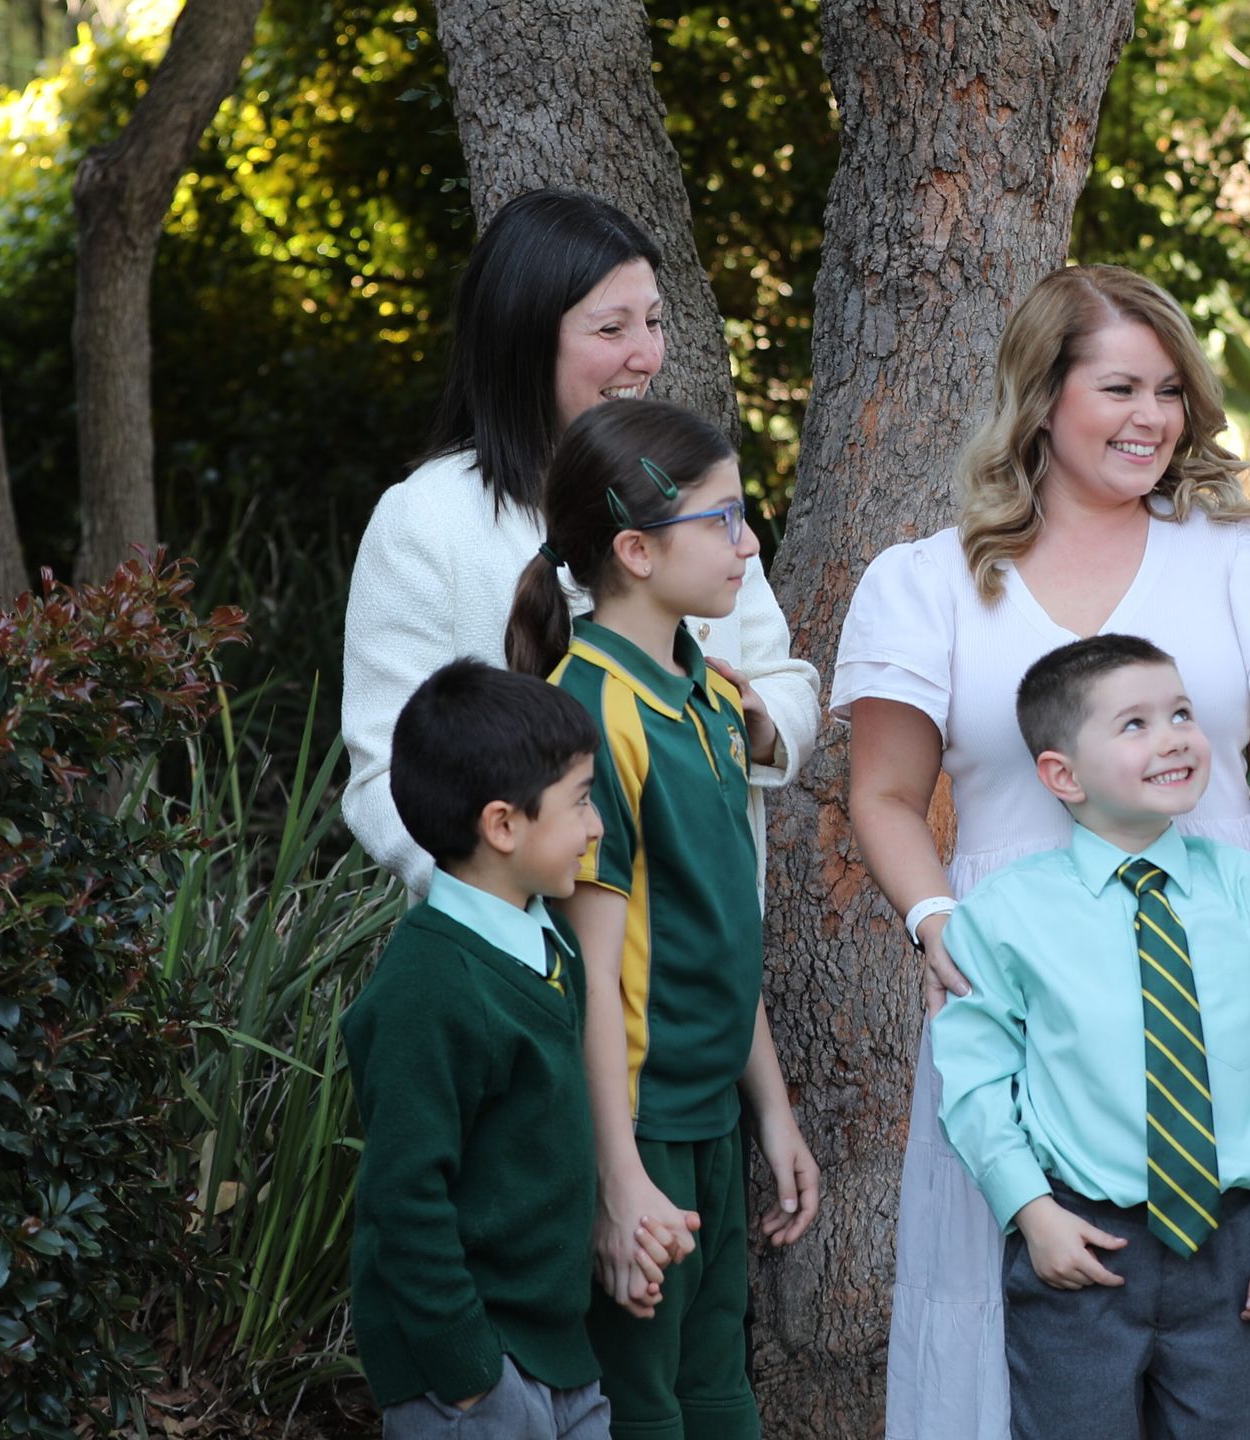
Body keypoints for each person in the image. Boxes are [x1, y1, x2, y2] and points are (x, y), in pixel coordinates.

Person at [836, 264, 1250, 1440]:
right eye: (1117, 388)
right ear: (1041, 398)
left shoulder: (1248, 558)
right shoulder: (929, 582)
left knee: (1248, 1304)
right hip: (1027, 980)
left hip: (1223, 956)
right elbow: (885, 795)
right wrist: (937, 921)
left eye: (1169, 390)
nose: (1151, 417)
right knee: (1052, 1328)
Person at [931, 634, 1250, 1440]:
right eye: (1135, 724)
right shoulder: (1007, 916)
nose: (1175, 738)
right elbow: (977, 1076)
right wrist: (1029, 1209)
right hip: (1082, 1246)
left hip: (1236, 1250)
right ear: (1061, 774)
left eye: (1182, 713)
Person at [342, 188, 817, 893]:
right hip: (526, 970)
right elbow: (385, 777)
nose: (646, 355)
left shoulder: (683, 484)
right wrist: (505, 899)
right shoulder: (426, 520)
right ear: (524, 336)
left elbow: (787, 680)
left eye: (654, 323)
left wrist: (759, 724)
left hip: (702, 954)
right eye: (611, 330)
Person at [507, 398, 820, 1440]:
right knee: (641, 1409)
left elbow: (726, 930)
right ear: (635, 551)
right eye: (723, 520)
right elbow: (591, 974)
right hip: (637, 1128)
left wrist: (769, 1109)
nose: (750, 540)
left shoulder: (716, 702)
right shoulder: (591, 712)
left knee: (720, 1390)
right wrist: (618, 1179)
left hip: (711, 1118)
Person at [340, 659, 621, 1439]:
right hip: (470, 1378)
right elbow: (404, 1197)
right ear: (503, 825)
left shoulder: (548, 945)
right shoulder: (429, 986)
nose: (596, 826)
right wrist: (469, 1376)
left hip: (559, 1359)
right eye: (580, 802)